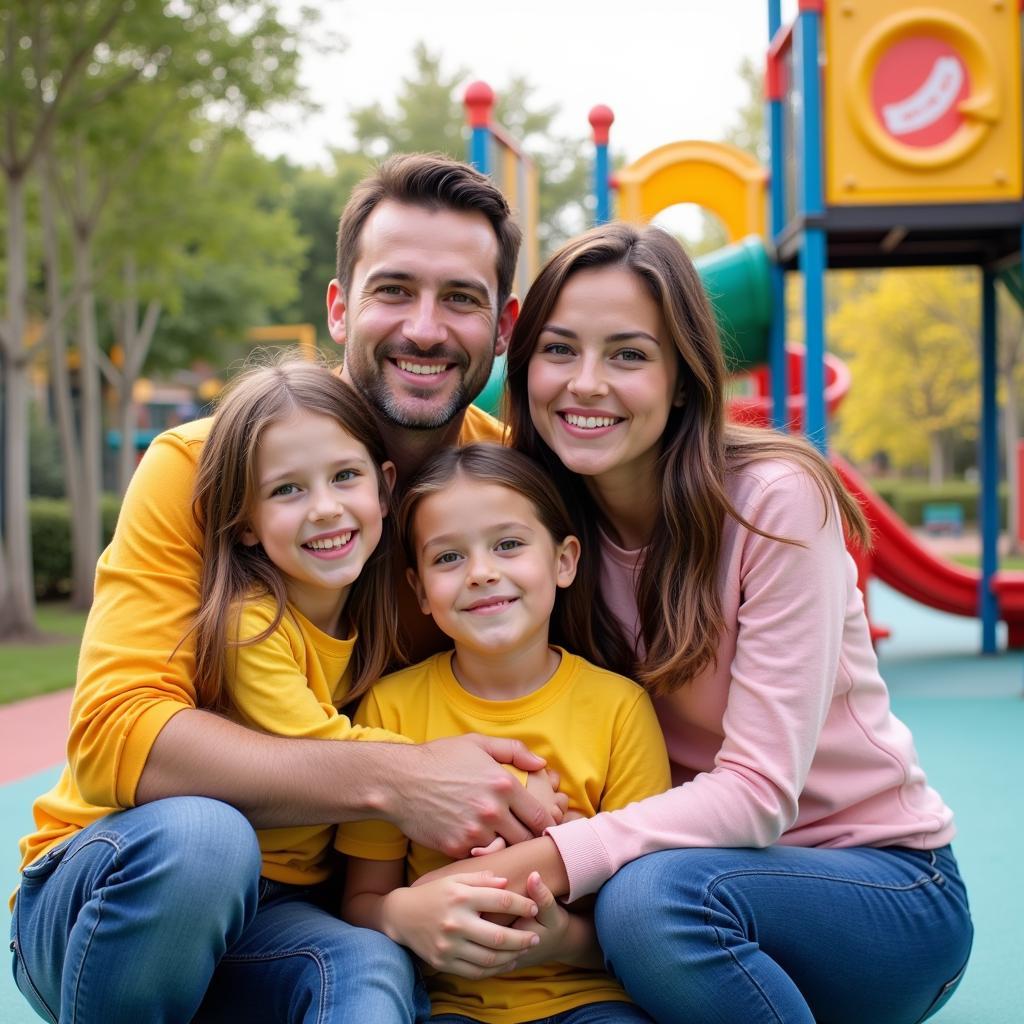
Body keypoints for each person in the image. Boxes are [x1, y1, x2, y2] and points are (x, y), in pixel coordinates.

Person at [10, 155, 557, 1023]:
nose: (424, 327)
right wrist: (399, 778)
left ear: (503, 326)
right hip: (120, 890)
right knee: (204, 841)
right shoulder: (199, 467)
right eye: (393, 291)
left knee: (371, 975)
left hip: (310, 914)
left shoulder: (505, 496)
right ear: (340, 307)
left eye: (460, 297)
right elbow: (118, 731)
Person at [427, 222, 974, 1024]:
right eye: (558, 350)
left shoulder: (774, 503)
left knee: (649, 903)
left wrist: (538, 864)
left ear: (683, 378)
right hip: (683, 892)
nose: (585, 383)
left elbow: (757, 795)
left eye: (628, 354)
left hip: (876, 888)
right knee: (635, 908)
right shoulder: (534, 530)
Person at [337, 444, 669, 1024]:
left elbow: (648, 916)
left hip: (590, 1000)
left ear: (564, 561)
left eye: (509, 545)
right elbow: (361, 901)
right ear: (419, 591)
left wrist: (563, 933)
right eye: (448, 558)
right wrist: (402, 915)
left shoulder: (620, 708)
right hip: (448, 1006)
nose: (482, 572)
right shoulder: (391, 708)